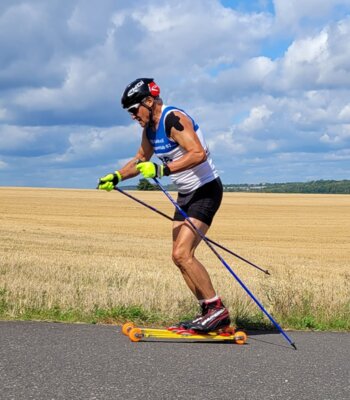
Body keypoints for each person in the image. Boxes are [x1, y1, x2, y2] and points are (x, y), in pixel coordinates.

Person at [98, 78, 230, 332]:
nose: (133, 116)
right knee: (178, 257)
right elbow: (140, 159)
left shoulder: (173, 119)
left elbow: (198, 153)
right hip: (185, 195)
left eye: (134, 110)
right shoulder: (149, 128)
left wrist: (162, 168)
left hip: (206, 190)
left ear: (149, 102)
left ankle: (218, 312)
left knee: (183, 253)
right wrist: (116, 176)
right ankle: (208, 312)